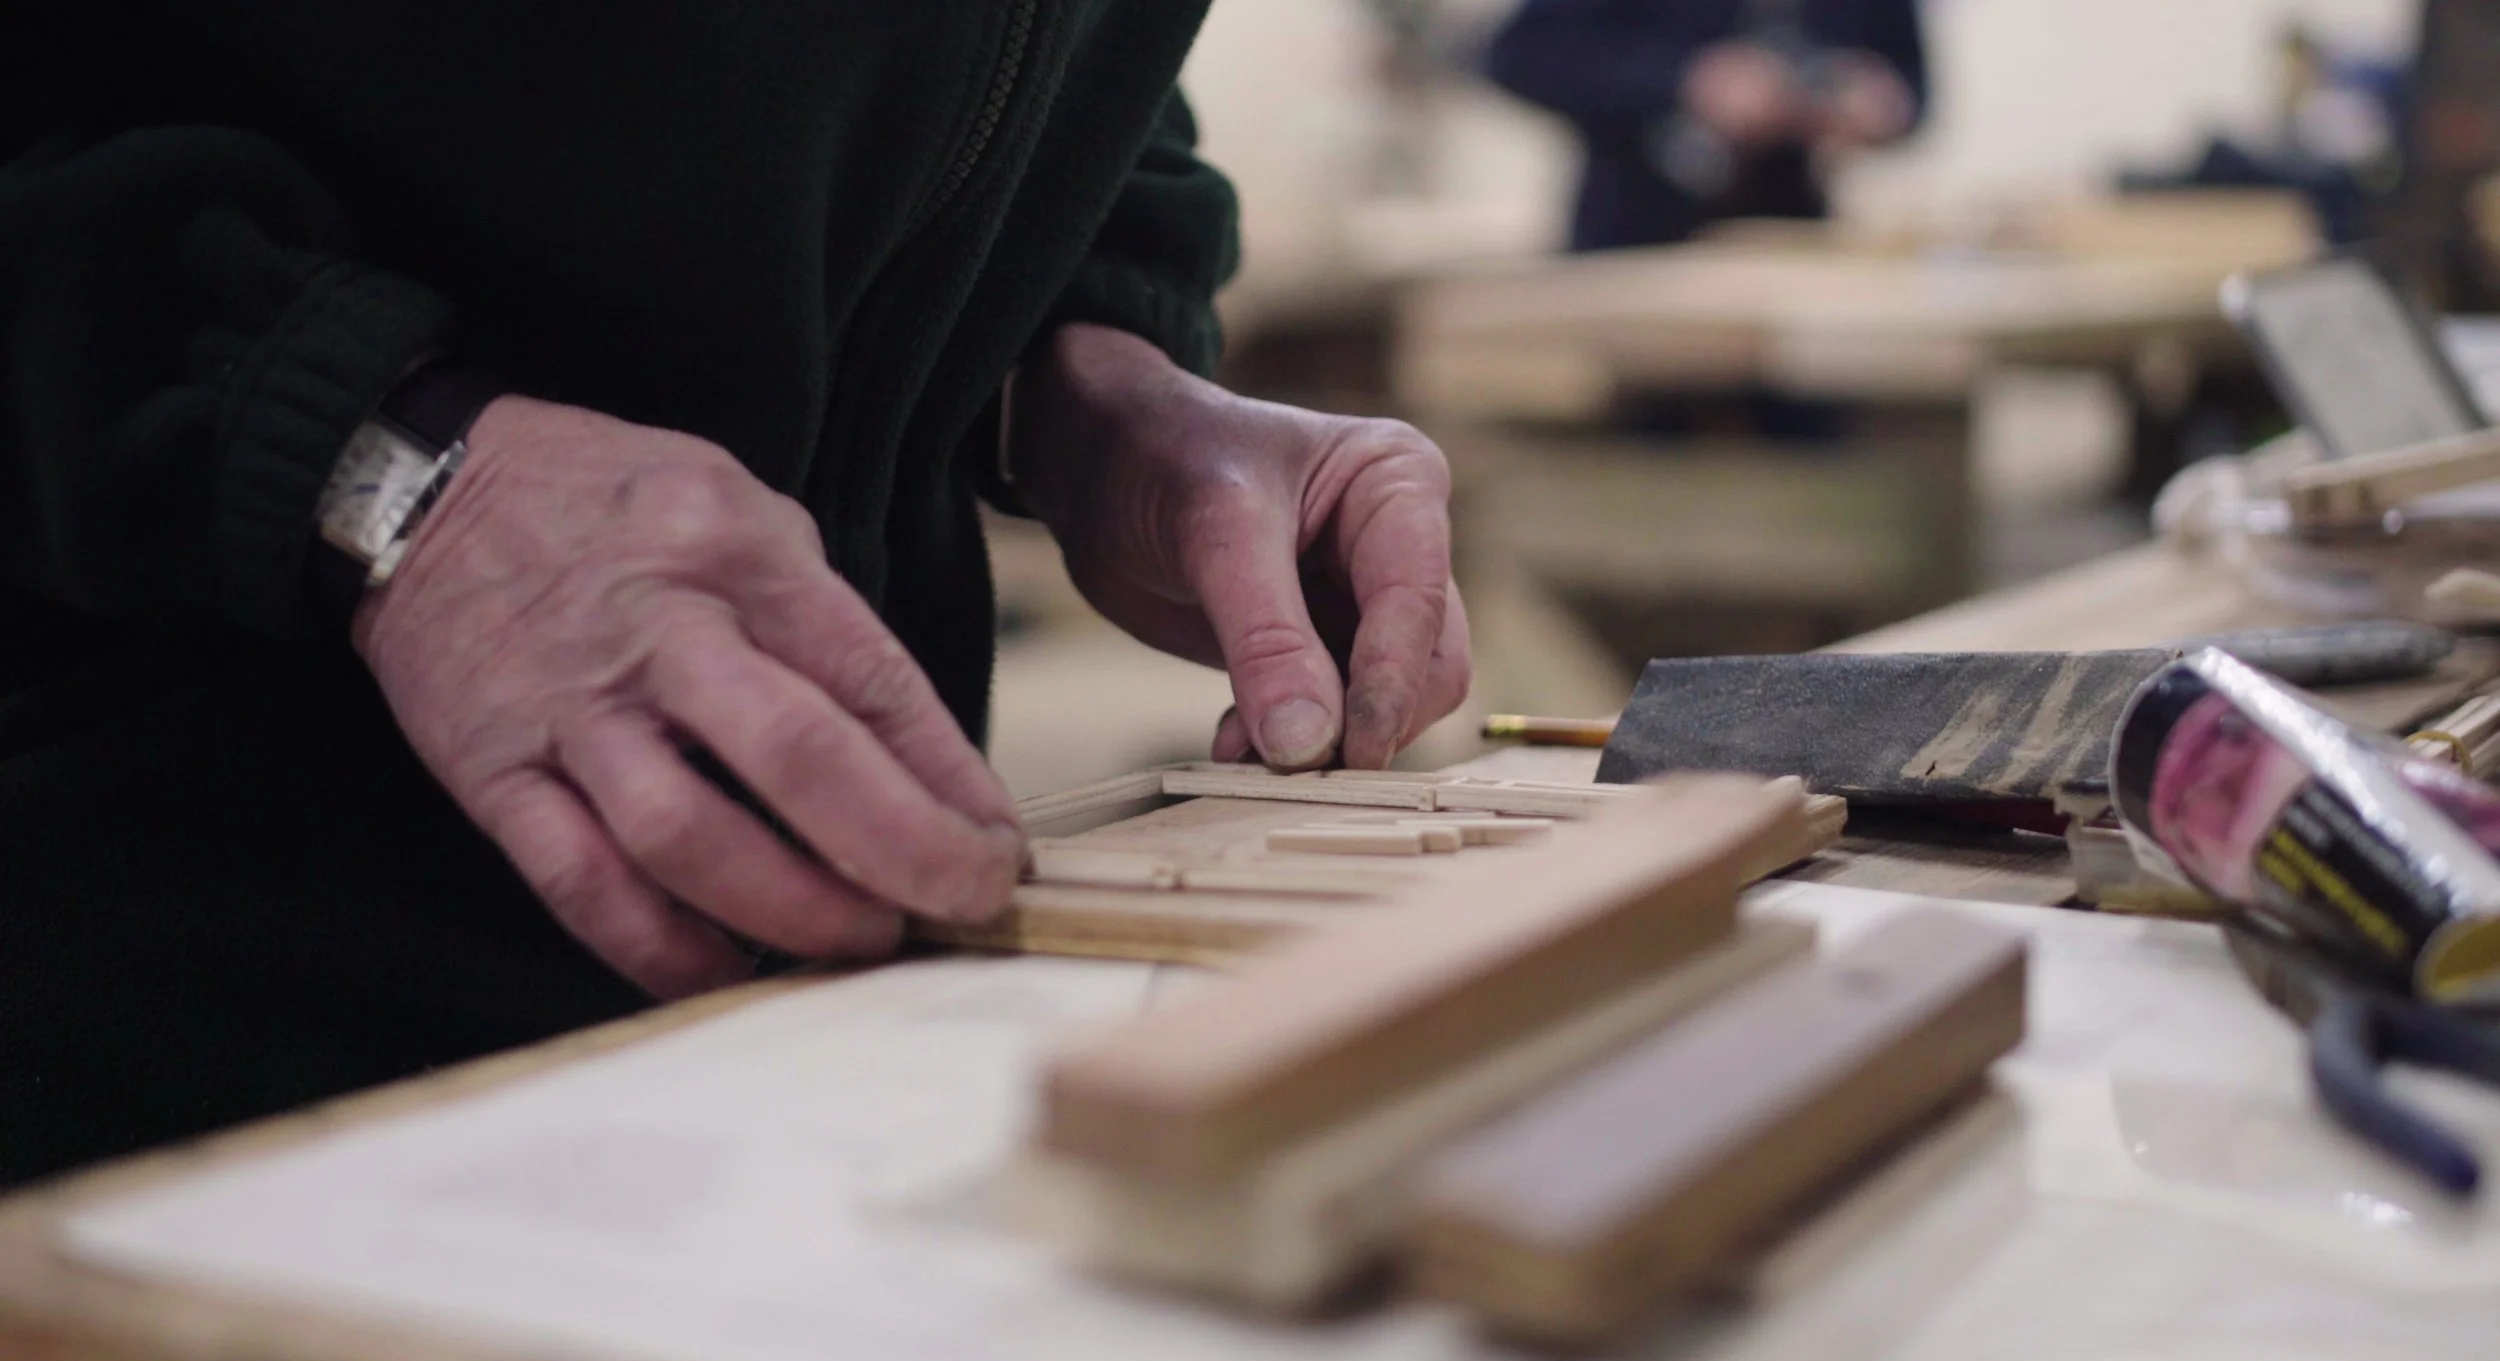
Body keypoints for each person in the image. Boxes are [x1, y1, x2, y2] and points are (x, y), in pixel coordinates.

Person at [0, 5, 1470, 1188]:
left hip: (799, 952)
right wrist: (352, 452)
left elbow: (1035, 62)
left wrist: (1080, 351)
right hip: (159, 951)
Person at [1487, 0, 1929, 251]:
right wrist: (1685, 79)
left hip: (1788, 241)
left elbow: (1911, 91)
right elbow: (1520, 55)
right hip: (1634, 238)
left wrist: (1875, 100)